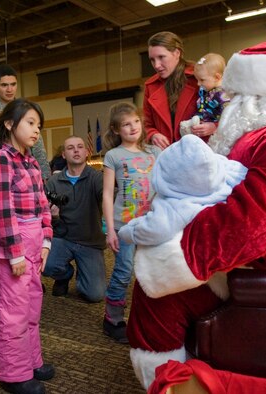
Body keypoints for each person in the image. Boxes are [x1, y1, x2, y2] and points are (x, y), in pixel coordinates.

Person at [126, 41, 266, 391]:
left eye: (233, 97)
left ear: (258, 98)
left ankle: (172, 380)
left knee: (157, 293)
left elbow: (258, 219)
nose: (226, 106)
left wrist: (176, 252)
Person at [0, 98, 54, 394]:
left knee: (31, 305)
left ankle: (31, 360)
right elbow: (3, 209)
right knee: (11, 310)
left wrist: (47, 241)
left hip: (34, 241)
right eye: (30, 123)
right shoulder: (1, 159)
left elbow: (43, 204)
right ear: (9, 124)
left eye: (39, 125)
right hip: (11, 242)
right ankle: (13, 373)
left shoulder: (32, 161)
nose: (36, 130)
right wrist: (15, 253)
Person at [118, 134, 247, 247]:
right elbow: (242, 172)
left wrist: (128, 231)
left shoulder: (177, 205)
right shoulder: (229, 172)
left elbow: (156, 229)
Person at [101, 102, 158, 343]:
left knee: (151, 272)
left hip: (151, 224)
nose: (133, 127)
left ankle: (149, 318)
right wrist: (110, 229)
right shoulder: (114, 156)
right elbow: (106, 194)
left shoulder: (154, 152)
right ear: (116, 130)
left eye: (135, 121)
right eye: (126, 124)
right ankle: (112, 319)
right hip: (123, 225)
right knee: (124, 272)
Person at [42, 135, 106, 303]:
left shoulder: (97, 178)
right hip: (63, 238)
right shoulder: (54, 182)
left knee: (95, 295)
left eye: (79, 147)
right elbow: (45, 219)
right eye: (70, 148)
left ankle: (84, 274)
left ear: (86, 152)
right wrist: (54, 217)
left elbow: (107, 197)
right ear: (63, 155)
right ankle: (64, 275)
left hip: (90, 241)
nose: (76, 150)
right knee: (45, 264)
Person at [0, 64, 51, 178]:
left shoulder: (24, 107)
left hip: (26, 168)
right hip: (1, 168)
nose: (9, 89)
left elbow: (37, 144)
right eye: (4, 85)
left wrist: (44, 175)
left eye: (13, 84)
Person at [143, 31, 199, 150]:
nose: (156, 65)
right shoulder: (150, 86)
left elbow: (220, 113)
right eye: (152, 60)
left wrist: (213, 126)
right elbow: (146, 125)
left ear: (177, 53)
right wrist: (153, 135)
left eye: (161, 57)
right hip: (167, 157)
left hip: (200, 154)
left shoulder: (200, 77)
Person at [179, 53, 230, 139]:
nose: (198, 84)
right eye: (197, 80)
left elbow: (229, 118)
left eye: (202, 80)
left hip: (217, 136)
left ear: (217, 77)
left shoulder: (223, 95)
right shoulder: (206, 89)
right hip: (203, 128)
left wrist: (216, 126)